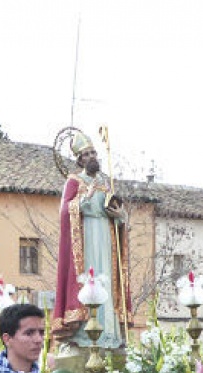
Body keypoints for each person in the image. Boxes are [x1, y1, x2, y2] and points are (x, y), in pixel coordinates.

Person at [54, 129, 132, 349]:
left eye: (93, 153)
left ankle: (109, 333)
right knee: (89, 278)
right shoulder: (74, 181)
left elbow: (114, 212)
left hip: (105, 238)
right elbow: (65, 211)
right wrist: (84, 199)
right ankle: (84, 334)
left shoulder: (105, 184)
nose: (91, 157)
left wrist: (119, 217)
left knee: (106, 278)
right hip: (86, 236)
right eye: (86, 154)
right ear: (79, 159)